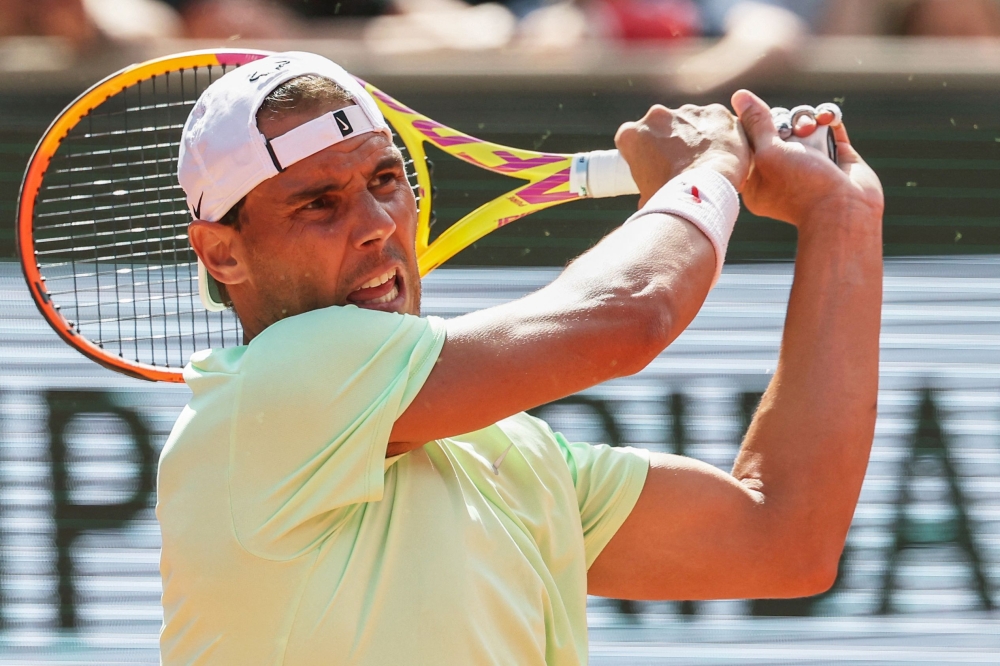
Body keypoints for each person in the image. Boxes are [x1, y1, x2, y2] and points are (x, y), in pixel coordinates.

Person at [158, 51, 883, 664]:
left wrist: (842, 218)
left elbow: (784, 539)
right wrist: (707, 171)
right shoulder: (266, 391)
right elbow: (630, 314)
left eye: (384, 181)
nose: (377, 225)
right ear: (222, 253)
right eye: (319, 203)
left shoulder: (511, 453)